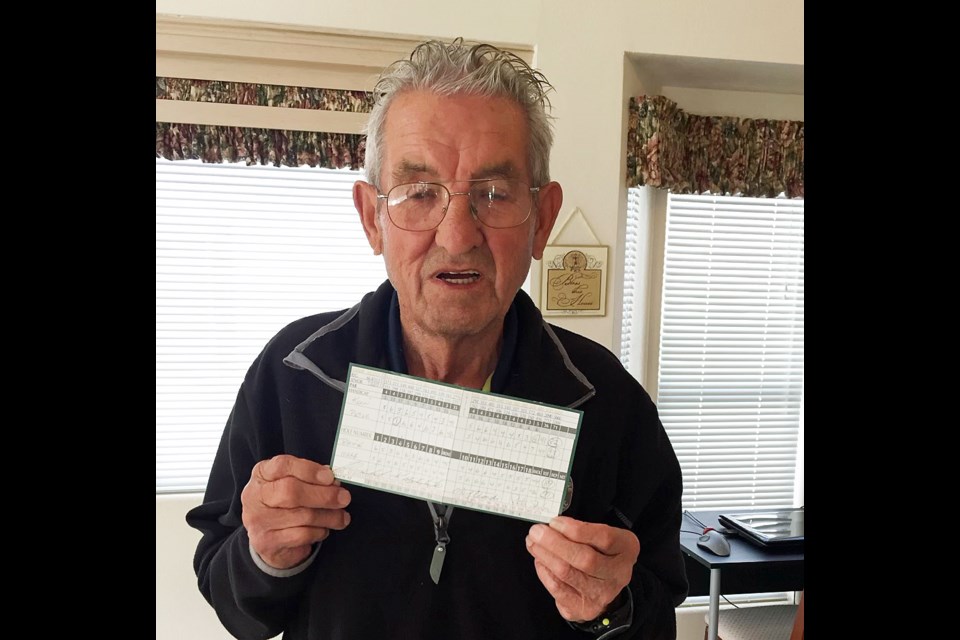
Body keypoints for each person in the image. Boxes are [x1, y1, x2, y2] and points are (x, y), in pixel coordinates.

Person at [186, 38, 689, 640]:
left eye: (494, 195)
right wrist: (265, 556)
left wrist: (612, 606)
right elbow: (233, 604)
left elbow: (655, 616)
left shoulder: (610, 401)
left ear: (543, 219)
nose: (457, 237)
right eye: (419, 193)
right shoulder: (293, 371)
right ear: (372, 218)